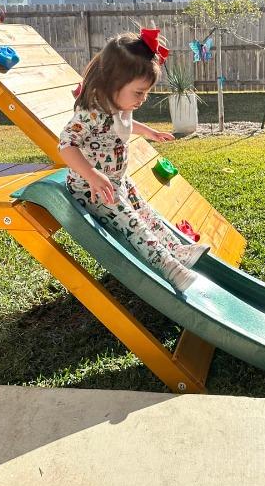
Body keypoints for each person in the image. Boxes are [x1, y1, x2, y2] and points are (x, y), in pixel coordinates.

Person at [58, 29, 210, 291]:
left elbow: (125, 124)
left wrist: (149, 132)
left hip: (118, 180)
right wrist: (92, 175)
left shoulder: (118, 106)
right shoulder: (90, 113)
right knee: (135, 225)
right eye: (139, 93)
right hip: (93, 188)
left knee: (147, 214)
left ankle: (176, 249)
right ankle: (171, 269)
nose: (143, 99)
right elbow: (66, 145)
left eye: (146, 93)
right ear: (113, 83)